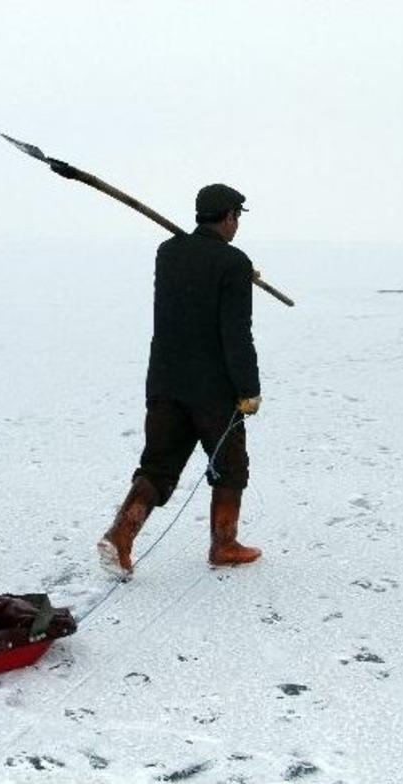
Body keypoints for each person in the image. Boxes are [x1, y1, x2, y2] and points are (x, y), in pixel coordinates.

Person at [98, 183, 264, 576]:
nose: (236, 224)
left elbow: (196, 284)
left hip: (165, 380)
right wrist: (249, 389)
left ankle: (121, 536)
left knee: (158, 466)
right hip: (213, 389)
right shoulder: (233, 263)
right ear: (228, 217)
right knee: (230, 464)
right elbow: (236, 333)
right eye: (236, 217)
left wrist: (239, 272)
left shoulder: (168, 253)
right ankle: (223, 545)